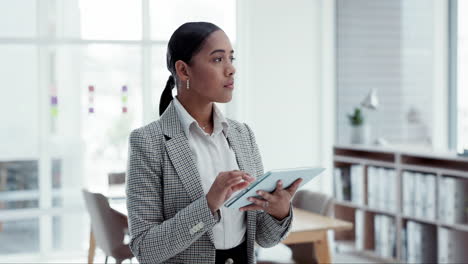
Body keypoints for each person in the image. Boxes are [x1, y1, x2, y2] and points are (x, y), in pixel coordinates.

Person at [126, 22, 302, 264]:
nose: (231, 70)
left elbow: (264, 238)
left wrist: (279, 212)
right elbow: (145, 249)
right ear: (184, 71)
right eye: (218, 60)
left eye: (232, 58)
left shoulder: (243, 135)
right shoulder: (148, 142)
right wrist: (208, 205)